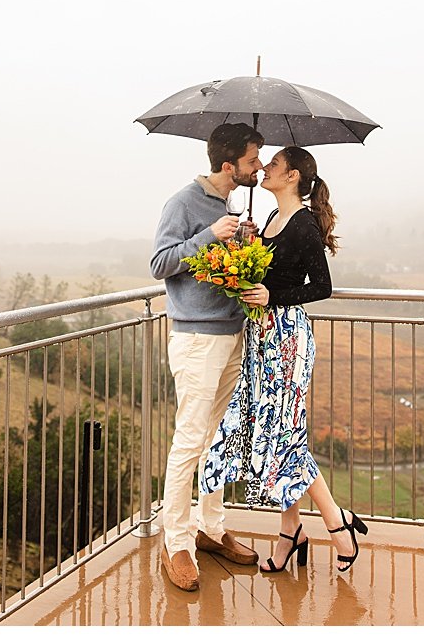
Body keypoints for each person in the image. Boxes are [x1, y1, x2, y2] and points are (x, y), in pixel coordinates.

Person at [199, 146, 369, 574]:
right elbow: (268, 273)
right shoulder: (272, 220)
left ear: (292, 176)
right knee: (275, 436)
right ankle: (290, 530)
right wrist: (247, 246)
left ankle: (335, 521)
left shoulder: (304, 224)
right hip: (260, 336)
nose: (264, 168)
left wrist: (275, 296)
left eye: (272, 164)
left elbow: (322, 287)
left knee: (287, 435)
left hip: (287, 339)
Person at [150, 122, 264, 592]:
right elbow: (160, 263)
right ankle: (176, 542)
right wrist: (209, 235)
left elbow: (219, 270)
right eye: (254, 160)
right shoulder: (182, 202)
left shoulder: (229, 205)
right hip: (196, 340)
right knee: (191, 441)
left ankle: (210, 529)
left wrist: (243, 240)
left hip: (231, 334)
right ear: (228, 165)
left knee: (220, 440)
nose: (258, 167)